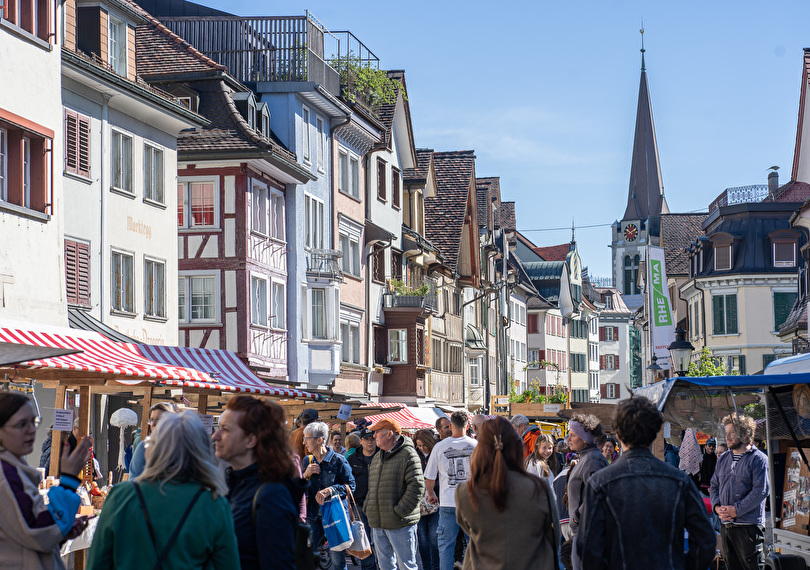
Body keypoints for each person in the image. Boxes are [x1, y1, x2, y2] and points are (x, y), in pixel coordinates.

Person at [576, 396, 716, 569]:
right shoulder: (679, 481)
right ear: (654, 432)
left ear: (618, 435)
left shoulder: (599, 483)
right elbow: (706, 540)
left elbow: (588, 548)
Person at [87, 411, 239, 569]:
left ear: (154, 450)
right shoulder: (214, 504)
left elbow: (97, 564)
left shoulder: (120, 496)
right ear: (200, 453)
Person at [212, 395, 309, 570]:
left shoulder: (271, 495)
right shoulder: (234, 483)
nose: (215, 436)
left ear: (250, 440)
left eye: (225, 429)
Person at [0, 392, 91, 569]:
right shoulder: (7, 475)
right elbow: (37, 530)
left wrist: (62, 534)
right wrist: (69, 482)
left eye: (34, 422)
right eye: (21, 424)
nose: (32, 430)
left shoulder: (13, 470)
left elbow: (25, 535)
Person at [456, 416, 559, 570]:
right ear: (517, 448)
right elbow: (553, 536)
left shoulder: (465, 491)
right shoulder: (538, 488)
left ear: (480, 450)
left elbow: (469, 528)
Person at [710, 414, 770, 570]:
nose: (727, 437)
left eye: (732, 432)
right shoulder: (723, 459)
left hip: (749, 527)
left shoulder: (758, 459)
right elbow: (714, 485)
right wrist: (717, 508)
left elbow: (761, 491)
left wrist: (736, 510)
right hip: (726, 526)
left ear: (745, 434)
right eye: (726, 432)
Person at [364, 419, 425, 570]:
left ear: (389, 434)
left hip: (400, 523)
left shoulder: (408, 454)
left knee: (406, 566)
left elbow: (417, 486)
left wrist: (400, 511)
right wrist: (368, 507)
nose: (374, 435)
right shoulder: (378, 456)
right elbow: (372, 486)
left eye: (378, 432)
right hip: (378, 522)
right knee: (385, 566)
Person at [425, 411, 477, 570]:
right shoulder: (476, 446)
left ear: (451, 426)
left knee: (446, 546)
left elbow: (430, 477)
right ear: (467, 426)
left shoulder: (439, 447)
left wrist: (431, 494)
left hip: (448, 502)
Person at [302, 421, 355, 570]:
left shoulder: (338, 460)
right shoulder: (308, 460)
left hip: (335, 516)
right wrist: (305, 475)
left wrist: (330, 490)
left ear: (319, 440)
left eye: (307, 438)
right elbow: (299, 488)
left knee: (337, 561)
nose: (304, 442)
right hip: (313, 516)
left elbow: (351, 486)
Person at [566, 413, 608, 569]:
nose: (568, 439)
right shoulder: (587, 457)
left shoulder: (592, 460)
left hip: (589, 533)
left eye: (572, 435)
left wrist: (577, 515)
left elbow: (599, 492)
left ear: (584, 439)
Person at [347, 428, 379, 570]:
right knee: (364, 540)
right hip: (359, 505)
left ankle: (382, 565)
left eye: (372, 439)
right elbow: (347, 481)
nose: (370, 442)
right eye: (366, 439)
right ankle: (369, 568)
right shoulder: (352, 459)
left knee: (380, 540)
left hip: (379, 505)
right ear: (361, 441)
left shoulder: (382, 455)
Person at [128, 401, 179, 478]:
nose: (153, 424)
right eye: (151, 420)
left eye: (157, 420)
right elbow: (134, 479)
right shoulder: (144, 447)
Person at [413, 429, 440, 570]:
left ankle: (436, 566)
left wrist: (432, 488)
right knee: (422, 539)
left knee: (434, 537)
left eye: (424, 445)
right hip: (419, 503)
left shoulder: (437, 451)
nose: (422, 448)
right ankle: (427, 567)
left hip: (436, 500)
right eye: (419, 445)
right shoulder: (414, 454)